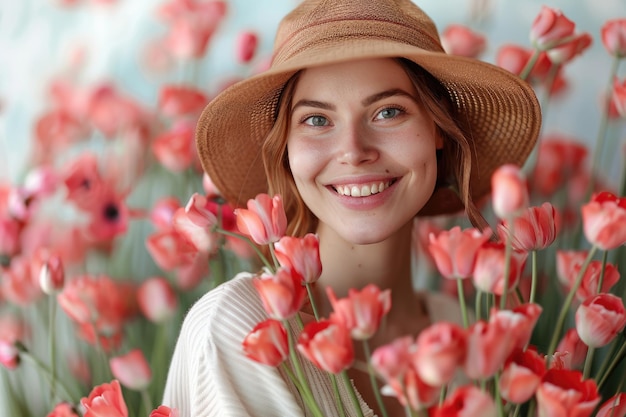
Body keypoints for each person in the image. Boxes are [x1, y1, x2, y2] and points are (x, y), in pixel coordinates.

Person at [162, 0, 541, 416]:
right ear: (286, 150)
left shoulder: (477, 338)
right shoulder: (239, 327)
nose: (353, 151)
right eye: (317, 120)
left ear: (438, 130)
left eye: (388, 111)